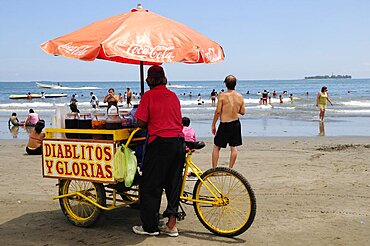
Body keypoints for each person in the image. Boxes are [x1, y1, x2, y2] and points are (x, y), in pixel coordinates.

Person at [133, 65, 185, 237]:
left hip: (160, 144)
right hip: (178, 142)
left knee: (150, 185)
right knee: (173, 184)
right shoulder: (173, 96)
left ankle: (150, 227)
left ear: (150, 80)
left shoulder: (148, 96)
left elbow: (140, 122)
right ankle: (171, 225)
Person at [212, 75, 245, 169]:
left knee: (217, 147)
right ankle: (230, 169)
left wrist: (213, 124)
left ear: (226, 84)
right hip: (235, 123)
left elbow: (218, 111)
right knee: (233, 147)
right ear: (235, 84)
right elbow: (242, 112)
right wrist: (234, 109)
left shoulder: (222, 95)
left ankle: (214, 168)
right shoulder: (240, 96)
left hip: (225, 124)